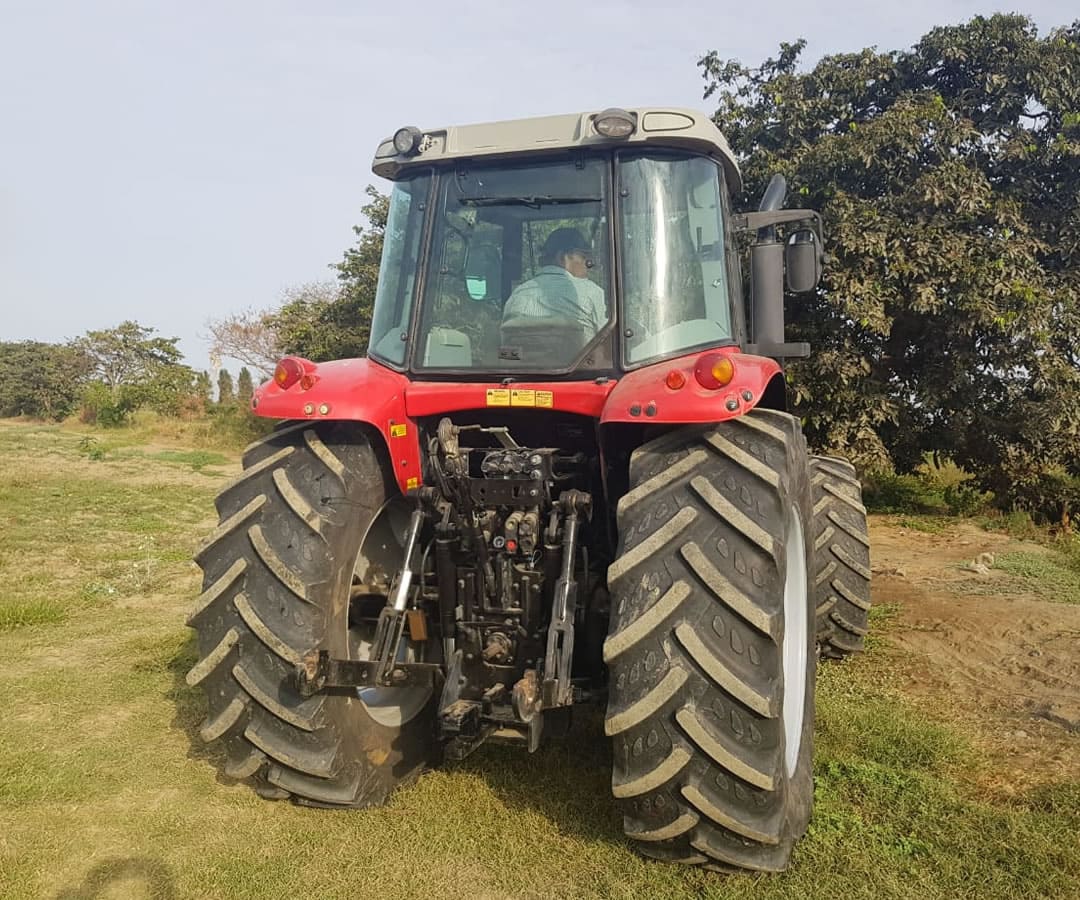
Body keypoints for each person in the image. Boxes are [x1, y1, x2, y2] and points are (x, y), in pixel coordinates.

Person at [502, 227, 607, 336]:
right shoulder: (592, 293)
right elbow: (608, 343)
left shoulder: (516, 295)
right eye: (584, 258)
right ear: (562, 257)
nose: (588, 266)